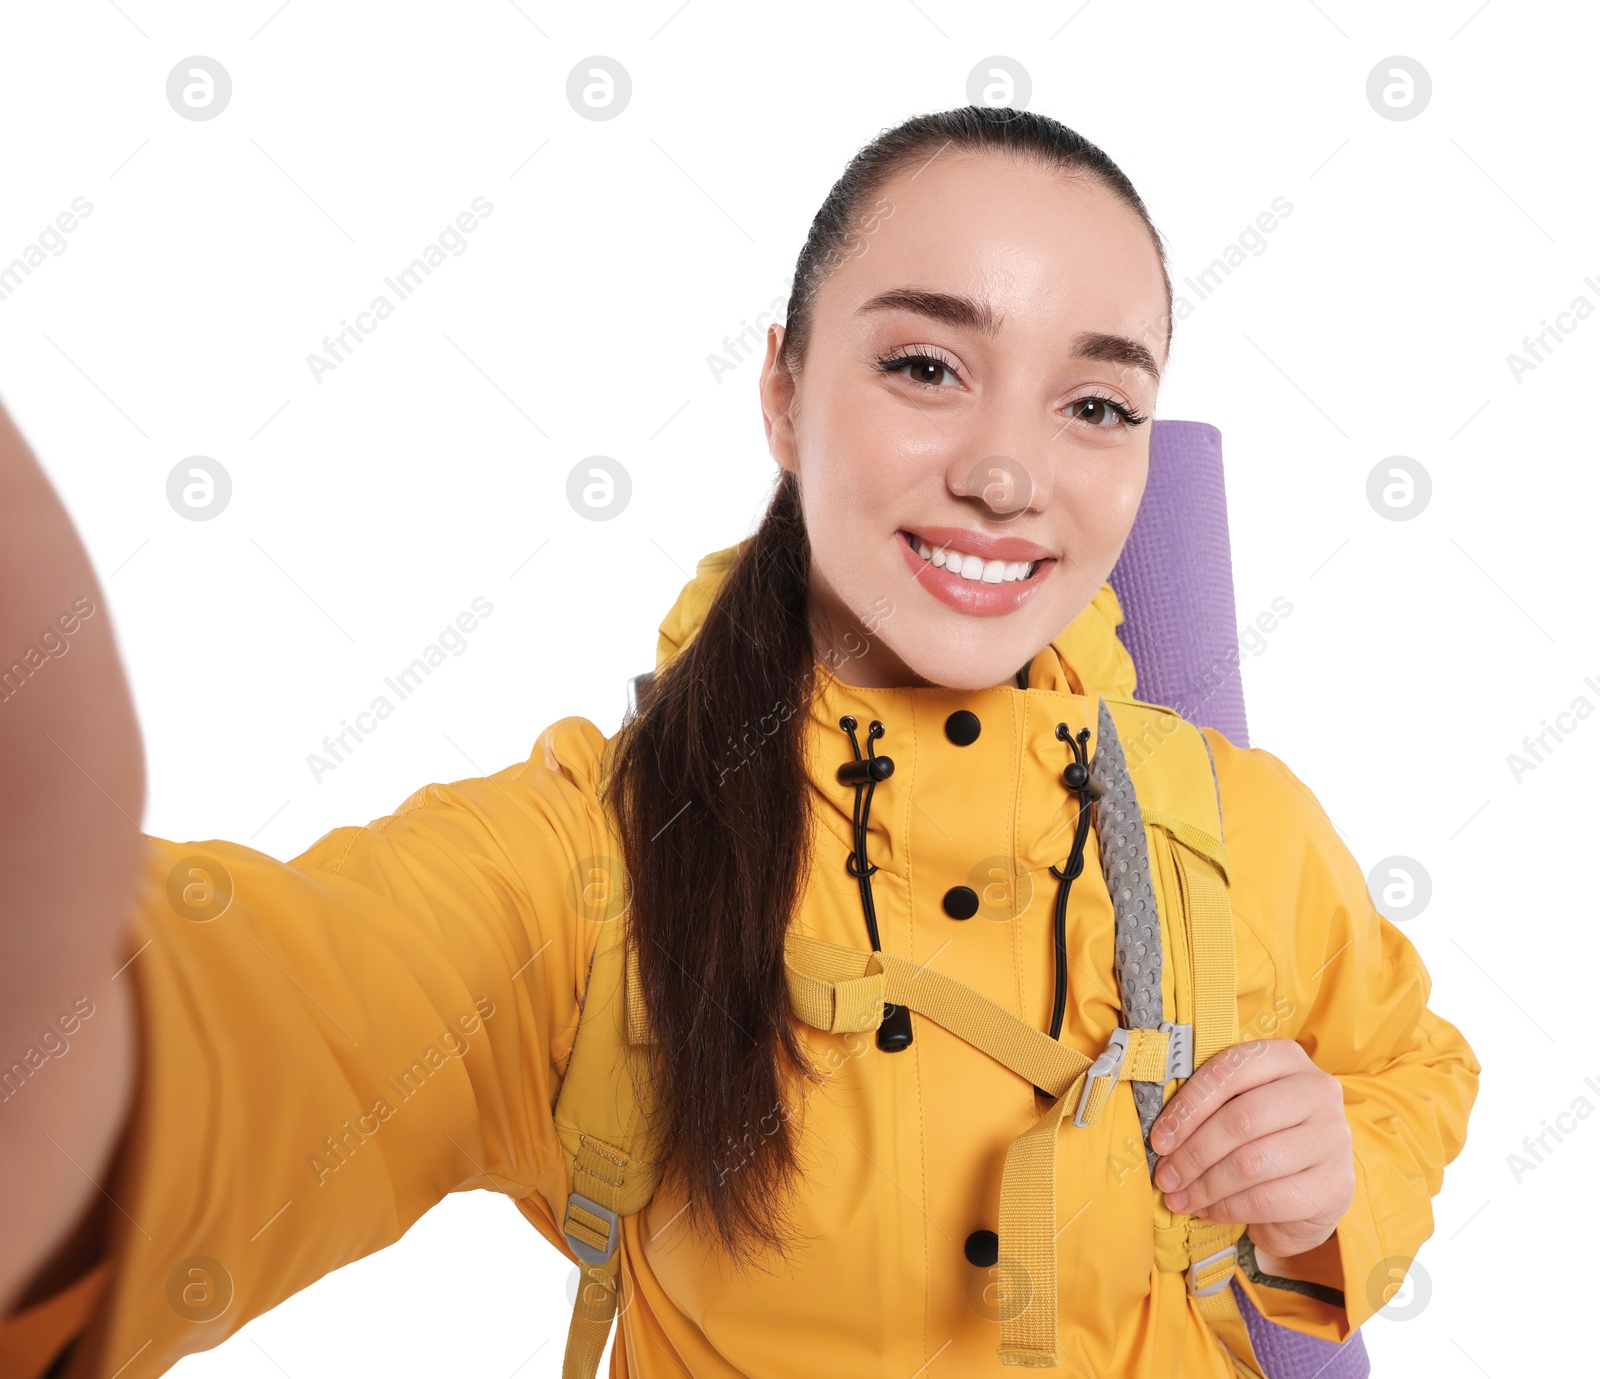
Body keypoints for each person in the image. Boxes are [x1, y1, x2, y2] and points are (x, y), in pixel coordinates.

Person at [0, 106, 1478, 1379]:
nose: (1011, 470)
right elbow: (268, 1026)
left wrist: (1328, 1194)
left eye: (1098, 403)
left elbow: (1410, 1066)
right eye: (925, 367)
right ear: (782, 390)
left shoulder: (1240, 829)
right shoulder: (597, 857)